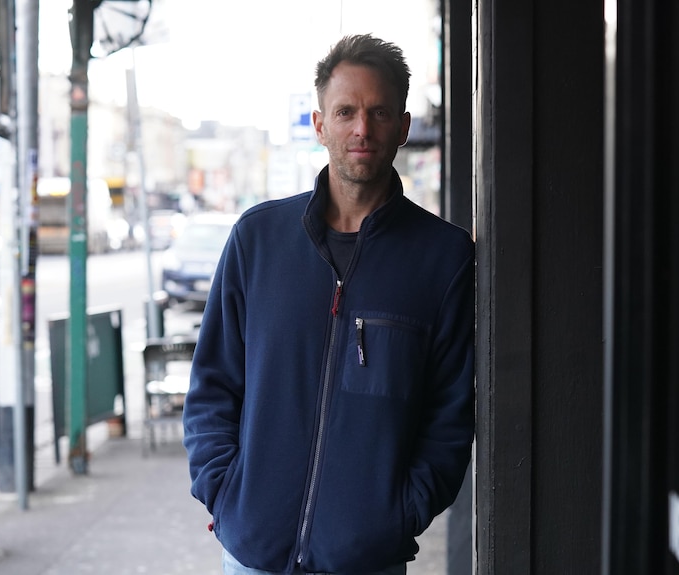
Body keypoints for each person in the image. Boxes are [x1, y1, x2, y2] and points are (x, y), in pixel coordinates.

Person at [182, 34, 475, 575]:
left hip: (367, 560)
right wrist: (225, 494)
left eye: (378, 112)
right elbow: (212, 386)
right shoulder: (258, 239)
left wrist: (399, 515)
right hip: (253, 554)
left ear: (404, 127)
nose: (361, 129)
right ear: (320, 125)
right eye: (345, 112)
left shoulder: (444, 259)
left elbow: (450, 416)